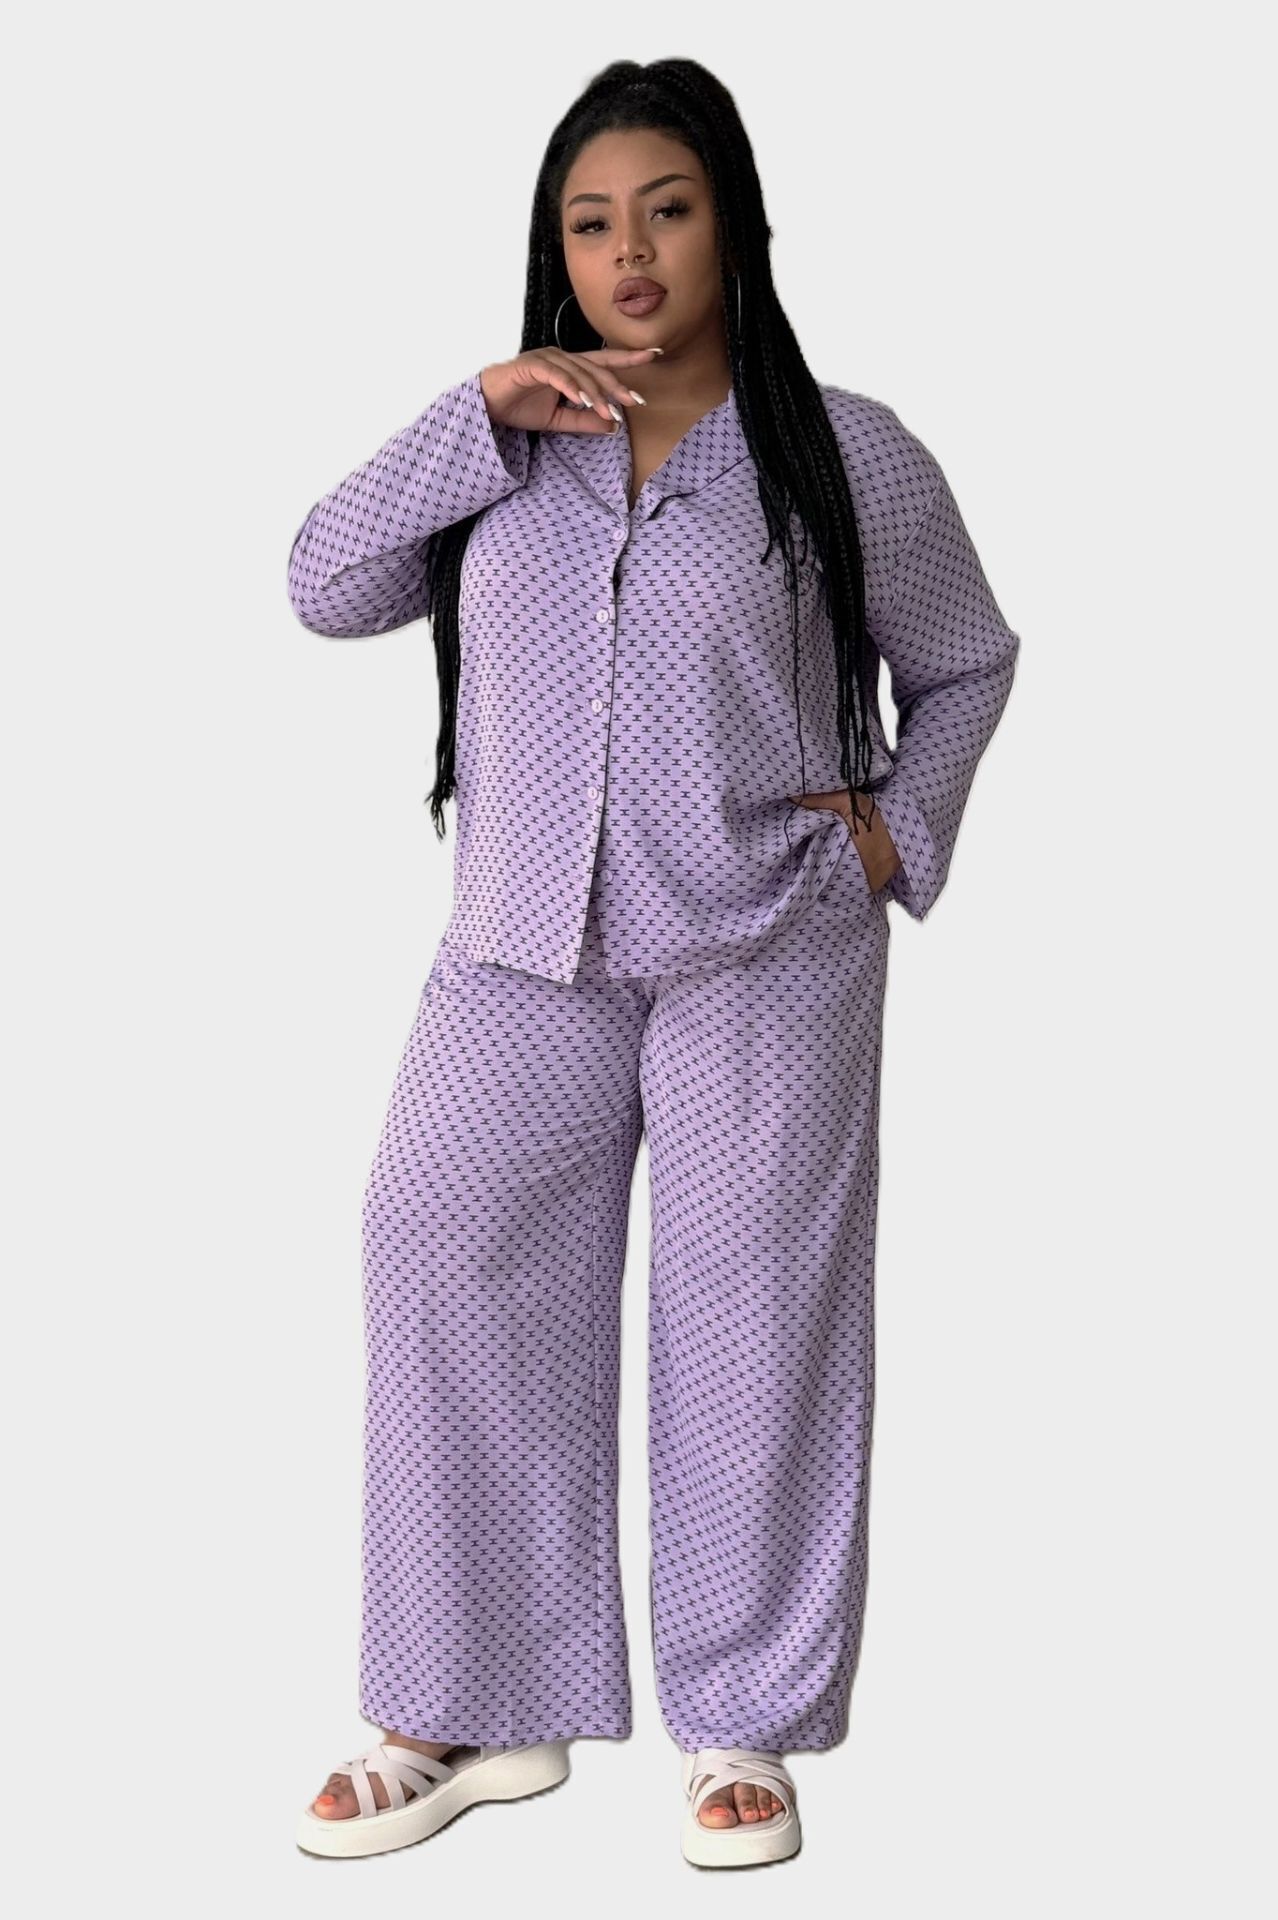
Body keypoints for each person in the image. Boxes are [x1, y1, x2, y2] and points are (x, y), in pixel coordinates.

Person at [286, 56, 1019, 1871]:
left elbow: (964, 661)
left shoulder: (843, 453)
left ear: (733, 227)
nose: (628, 255)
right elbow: (321, 582)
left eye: (665, 213)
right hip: (518, 953)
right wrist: (474, 407)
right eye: (590, 223)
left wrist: (892, 836)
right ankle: (468, 1705)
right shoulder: (505, 453)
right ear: (554, 249)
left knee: (752, 1319)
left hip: (764, 950)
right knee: (437, 1247)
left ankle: (742, 1725)